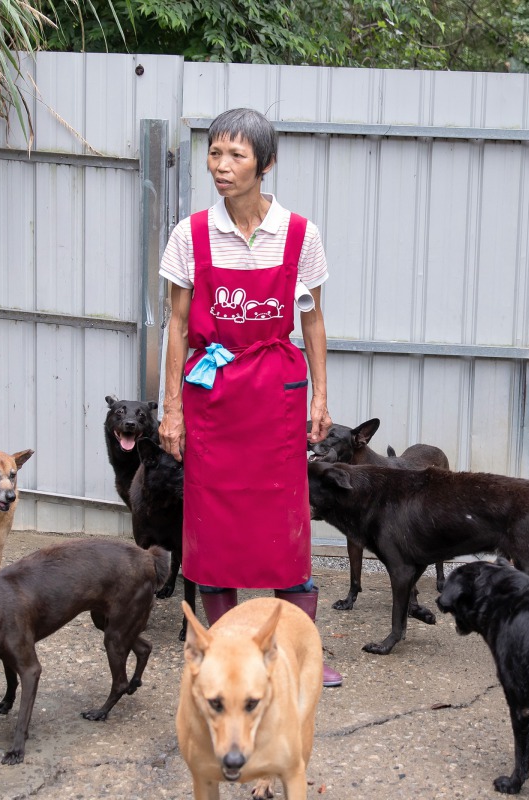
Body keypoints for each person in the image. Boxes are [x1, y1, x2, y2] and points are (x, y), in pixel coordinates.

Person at [158, 107, 341, 687]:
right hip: (211, 397)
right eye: (214, 152)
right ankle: (223, 651)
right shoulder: (190, 234)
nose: (221, 166)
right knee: (214, 533)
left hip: (275, 395)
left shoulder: (299, 234)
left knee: (285, 528)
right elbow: (178, 327)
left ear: (265, 163)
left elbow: (311, 322)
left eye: (236, 155)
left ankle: (301, 655)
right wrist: (170, 409)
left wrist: (319, 398)